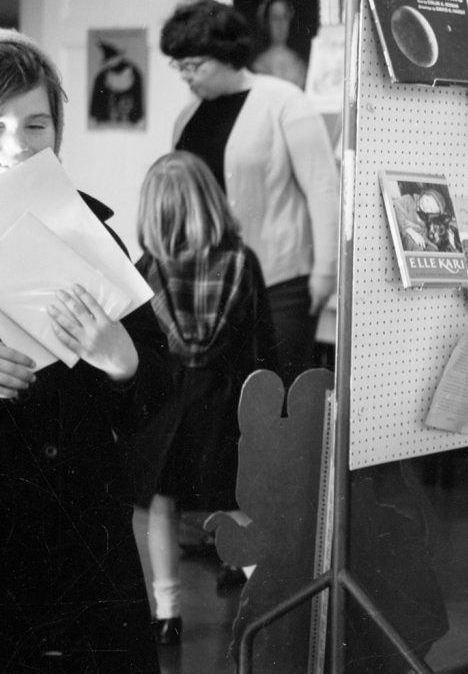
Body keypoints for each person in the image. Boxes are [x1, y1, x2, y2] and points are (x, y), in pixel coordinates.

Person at [0, 29, 169, 672]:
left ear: (58, 133)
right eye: (0, 126)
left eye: (35, 124)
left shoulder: (95, 235)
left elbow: (157, 391)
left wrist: (123, 361)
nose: (17, 147)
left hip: (84, 549)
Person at [125, 151, 278, 646]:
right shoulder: (241, 262)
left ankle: (167, 613)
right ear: (210, 202)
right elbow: (263, 347)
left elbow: (139, 356)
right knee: (237, 503)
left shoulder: (143, 271)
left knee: (160, 509)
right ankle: (269, 600)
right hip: (225, 410)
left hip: (167, 417)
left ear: (152, 212)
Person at [160, 0, 339, 387]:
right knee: (225, 398)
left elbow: (324, 189)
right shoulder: (186, 117)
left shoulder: (284, 102)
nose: (187, 76)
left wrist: (326, 272)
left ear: (227, 55)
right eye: (180, 66)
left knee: (280, 392)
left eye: (195, 65)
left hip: (282, 281)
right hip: (210, 281)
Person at [251, 0, 308, 88]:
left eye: (285, 17)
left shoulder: (299, 62)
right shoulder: (259, 64)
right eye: (275, 18)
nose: (281, 24)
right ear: (266, 22)